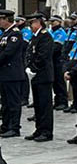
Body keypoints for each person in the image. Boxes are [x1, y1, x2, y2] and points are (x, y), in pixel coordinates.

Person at [24, 14, 55, 142]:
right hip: (36, 76)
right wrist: (28, 66)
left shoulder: (45, 36)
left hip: (43, 75)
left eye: (32, 23)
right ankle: (39, 129)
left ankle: (46, 131)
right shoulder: (35, 37)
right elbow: (29, 53)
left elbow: (43, 56)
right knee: (38, 105)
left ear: (38, 23)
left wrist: (33, 68)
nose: (30, 26)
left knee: (45, 105)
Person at [0, 9, 28, 138]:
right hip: (4, 73)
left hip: (12, 73)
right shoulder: (6, 33)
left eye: (1, 19)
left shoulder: (15, 34)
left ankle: (14, 127)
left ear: (6, 20)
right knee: (5, 102)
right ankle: (6, 125)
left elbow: (8, 52)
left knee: (13, 102)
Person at [50, 15, 69, 112]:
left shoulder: (61, 33)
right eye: (51, 21)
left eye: (53, 21)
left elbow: (56, 47)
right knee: (55, 82)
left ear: (59, 22)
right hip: (52, 60)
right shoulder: (51, 31)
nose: (51, 23)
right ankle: (57, 100)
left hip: (58, 60)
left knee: (60, 81)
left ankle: (63, 101)